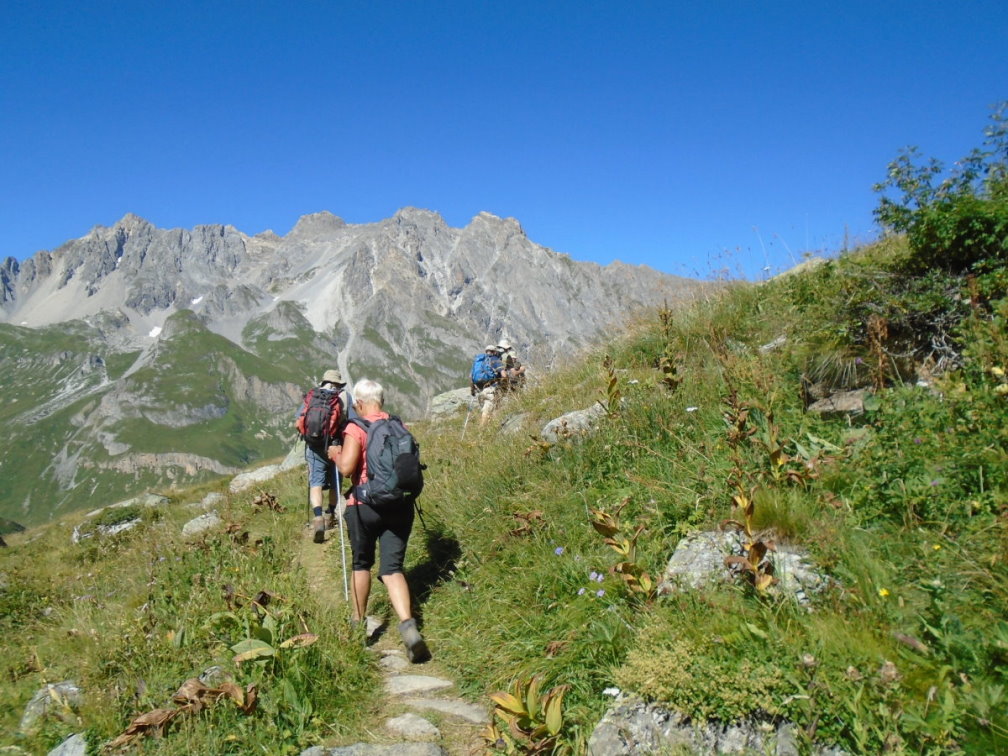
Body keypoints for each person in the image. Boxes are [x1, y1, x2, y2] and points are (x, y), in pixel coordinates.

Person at [331, 378, 430, 662]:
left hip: (364, 506)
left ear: (359, 404)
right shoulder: (399, 427)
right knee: (393, 568)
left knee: (361, 564)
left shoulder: (356, 427)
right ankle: (409, 628)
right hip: (399, 505)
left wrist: (336, 454)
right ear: (382, 401)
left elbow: (348, 467)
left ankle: (357, 626)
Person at [295, 369, 350, 543]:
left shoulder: (313, 395)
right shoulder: (342, 397)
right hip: (335, 446)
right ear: (338, 384)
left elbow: (298, 420)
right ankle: (330, 515)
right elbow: (348, 420)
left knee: (315, 482)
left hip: (314, 447)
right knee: (336, 482)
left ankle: (317, 518)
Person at [472, 344, 505, 425]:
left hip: (480, 390)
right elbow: (504, 375)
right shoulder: (494, 359)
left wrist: (473, 390)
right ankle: (481, 432)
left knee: (487, 410)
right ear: (494, 352)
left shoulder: (478, 361)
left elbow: (471, 377)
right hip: (490, 389)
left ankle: (489, 428)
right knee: (487, 412)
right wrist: (502, 382)